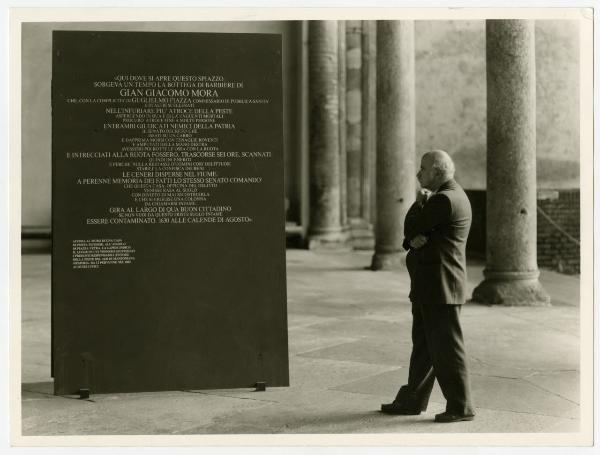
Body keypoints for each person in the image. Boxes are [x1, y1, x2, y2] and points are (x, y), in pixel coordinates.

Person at [381, 149, 475, 423]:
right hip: (432, 286)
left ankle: (461, 406)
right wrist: (413, 236)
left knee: (447, 349)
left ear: (437, 171)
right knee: (424, 347)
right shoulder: (447, 197)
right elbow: (413, 236)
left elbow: (412, 227)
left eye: (422, 169)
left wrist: (417, 209)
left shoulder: (444, 200)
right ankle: (412, 400)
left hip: (441, 287)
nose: (418, 174)